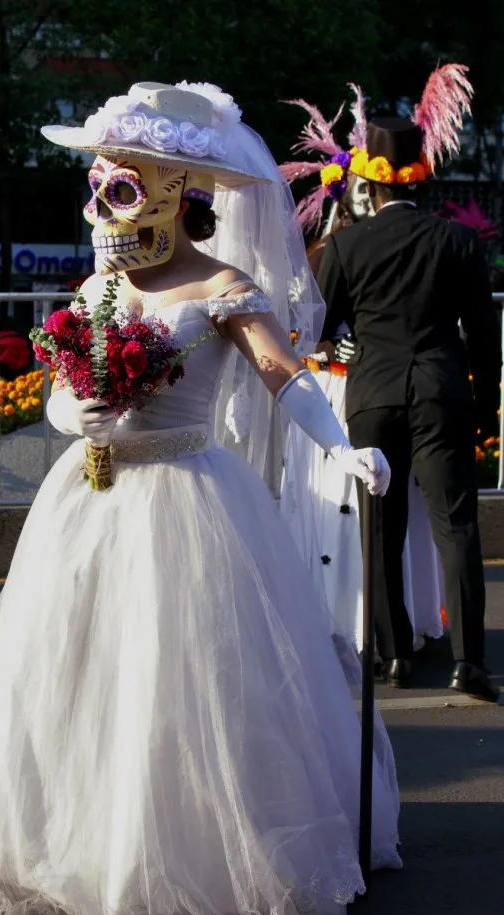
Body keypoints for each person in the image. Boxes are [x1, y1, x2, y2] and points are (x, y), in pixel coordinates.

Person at [0, 81, 401, 915]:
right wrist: (80, 416)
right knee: (77, 674)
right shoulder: (94, 286)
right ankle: (70, 848)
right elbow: (62, 393)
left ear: (176, 197)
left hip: (187, 499)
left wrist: (337, 446)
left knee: (184, 684)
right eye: (98, 187)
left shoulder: (223, 285)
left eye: (123, 189)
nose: (105, 208)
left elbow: (282, 375)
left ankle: (193, 853)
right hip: (92, 497)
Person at [316, 65, 501, 701]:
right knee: (457, 530)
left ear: (368, 180)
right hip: (443, 392)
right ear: (422, 176)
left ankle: (395, 655)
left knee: (381, 528)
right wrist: (488, 408)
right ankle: (469, 661)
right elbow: (483, 335)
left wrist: (348, 340)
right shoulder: (458, 241)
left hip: (373, 395)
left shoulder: (347, 247)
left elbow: (320, 326)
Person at [279, 85, 444, 654]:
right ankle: (369, 630)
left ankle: (398, 633)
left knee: (385, 516)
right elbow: (305, 333)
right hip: (341, 395)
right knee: (358, 518)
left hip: (370, 393)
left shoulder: (359, 247)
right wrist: (327, 352)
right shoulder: (329, 251)